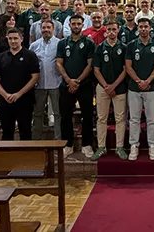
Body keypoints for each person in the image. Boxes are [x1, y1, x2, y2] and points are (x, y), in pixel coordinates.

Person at [57, 14, 97, 156]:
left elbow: (90, 65)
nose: (76, 26)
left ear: (82, 25)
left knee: (87, 115)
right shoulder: (62, 43)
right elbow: (59, 63)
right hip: (66, 85)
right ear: (69, 25)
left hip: (84, 84)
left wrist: (78, 81)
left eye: (78, 24)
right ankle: (67, 144)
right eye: (73, 24)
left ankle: (87, 144)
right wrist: (69, 80)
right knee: (65, 116)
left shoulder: (89, 43)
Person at [124, 17, 154, 160]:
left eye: (146, 27)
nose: (143, 29)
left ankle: (152, 145)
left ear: (150, 28)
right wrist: (138, 81)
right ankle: (134, 145)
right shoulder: (131, 45)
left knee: (151, 119)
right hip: (134, 87)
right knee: (134, 119)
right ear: (137, 28)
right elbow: (128, 66)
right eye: (141, 27)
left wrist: (147, 81)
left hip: (151, 87)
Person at [0, 28, 40, 140]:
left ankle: (25, 156)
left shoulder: (30, 55)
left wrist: (19, 94)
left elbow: (35, 77)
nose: (13, 41)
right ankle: (8, 156)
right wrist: (5, 94)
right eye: (10, 39)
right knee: (7, 132)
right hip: (5, 100)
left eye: (15, 38)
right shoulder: (1, 57)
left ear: (21, 39)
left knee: (25, 131)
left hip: (25, 99)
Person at [91, 20, 130, 160]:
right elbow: (96, 70)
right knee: (101, 118)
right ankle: (101, 147)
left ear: (118, 30)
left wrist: (113, 86)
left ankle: (120, 147)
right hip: (102, 88)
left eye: (114, 29)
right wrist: (106, 86)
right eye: (109, 29)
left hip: (119, 87)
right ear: (105, 31)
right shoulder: (99, 48)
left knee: (120, 118)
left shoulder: (125, 47)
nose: (112, 32)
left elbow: (126, 69)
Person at [29, 17, 63, 141]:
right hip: (39, 84)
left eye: (49, 27)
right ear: (40, 29)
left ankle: (58, 139)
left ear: (53, 29)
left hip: (56, 83)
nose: (46, 30)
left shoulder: (60, 44)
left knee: (58, 113)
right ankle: (36, 140)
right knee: (38, 113)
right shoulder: (34, 45)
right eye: (44, 28)